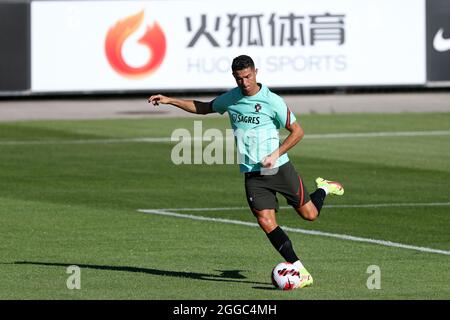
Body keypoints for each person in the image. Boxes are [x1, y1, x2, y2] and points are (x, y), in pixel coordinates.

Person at [148, 55, 344, 289]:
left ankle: (323, 187)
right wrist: (171, 100)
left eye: (248, 76)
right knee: (265, 220)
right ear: (234, 77)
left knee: (310, 215)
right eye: (239, 78)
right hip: (252, 174)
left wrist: (276, 153)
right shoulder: (232, 98)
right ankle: (300, 270)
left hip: (279, 169)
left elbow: (297, 132)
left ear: (256, 72)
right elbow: (203, 108)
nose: (244, 82)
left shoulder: (272, 101)